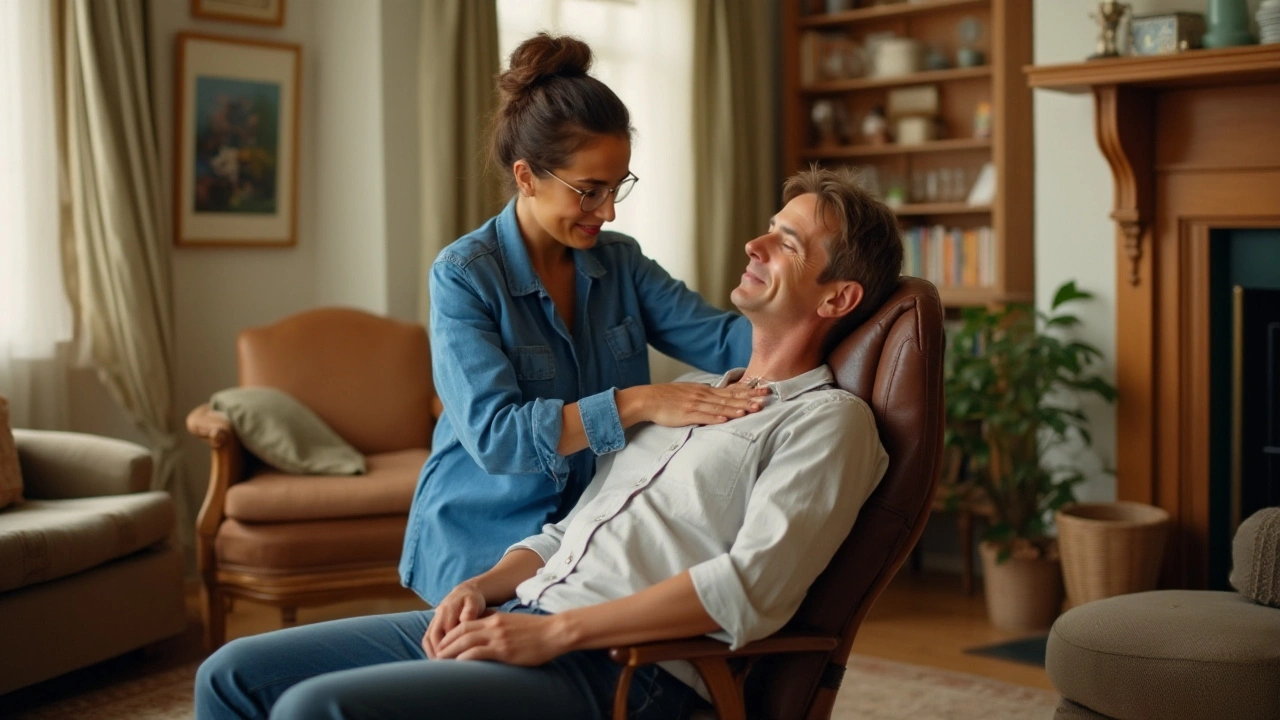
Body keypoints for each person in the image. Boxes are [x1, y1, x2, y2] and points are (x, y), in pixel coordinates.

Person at [195, 165, 905, 720]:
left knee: (315, 710)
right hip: (520, 611)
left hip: (617, 666)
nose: (754, 244)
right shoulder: (690, 393)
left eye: (784, 241)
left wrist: (555, 636)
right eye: (768, 228)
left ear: (838, 299)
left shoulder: (829, 423)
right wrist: (479, 587)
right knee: (231, 674)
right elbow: (569, 530)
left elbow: (749, 590)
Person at [401, 33, 768, 606]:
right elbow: (498, 439)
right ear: (526, 178)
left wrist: (823, 307)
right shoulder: (463, 276)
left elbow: (723, 339)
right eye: (589, 191)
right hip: (478, 540)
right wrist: (641, 401)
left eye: (617, 187)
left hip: (585, 535)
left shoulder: (620, 261)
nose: (609, 210)